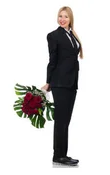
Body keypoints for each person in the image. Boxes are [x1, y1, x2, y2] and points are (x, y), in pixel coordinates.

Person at [41, 6, 84, 166]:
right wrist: (48, 82)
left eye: (65, 16)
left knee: (65, 120)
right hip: (60, 83)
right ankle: (58, 155)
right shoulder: (54, 36)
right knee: (61, 120)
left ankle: (62, 154)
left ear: (70, 18)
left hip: (72, 83)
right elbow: (52, 60)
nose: (62, 19)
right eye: (60, 16)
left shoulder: (71, 34)